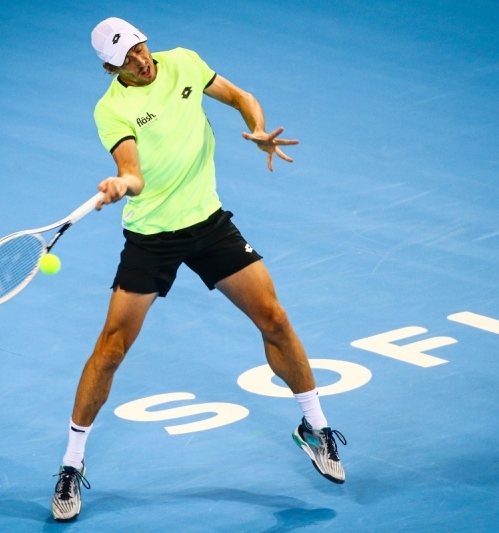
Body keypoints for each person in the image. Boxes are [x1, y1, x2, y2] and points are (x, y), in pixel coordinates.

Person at [50, 17, 347, 522]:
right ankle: (71, 465)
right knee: (111, 349)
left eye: (140, 48)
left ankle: (314, 427)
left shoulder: (184, 61)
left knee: (275, 319)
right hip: (152, 237)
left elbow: (239, 96)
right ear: (110, 69)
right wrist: (121, 185)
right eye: (127, 60)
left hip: (208, 223)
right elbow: (133, 174)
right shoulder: (111, 109)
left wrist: (258, 128)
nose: (141, 61)